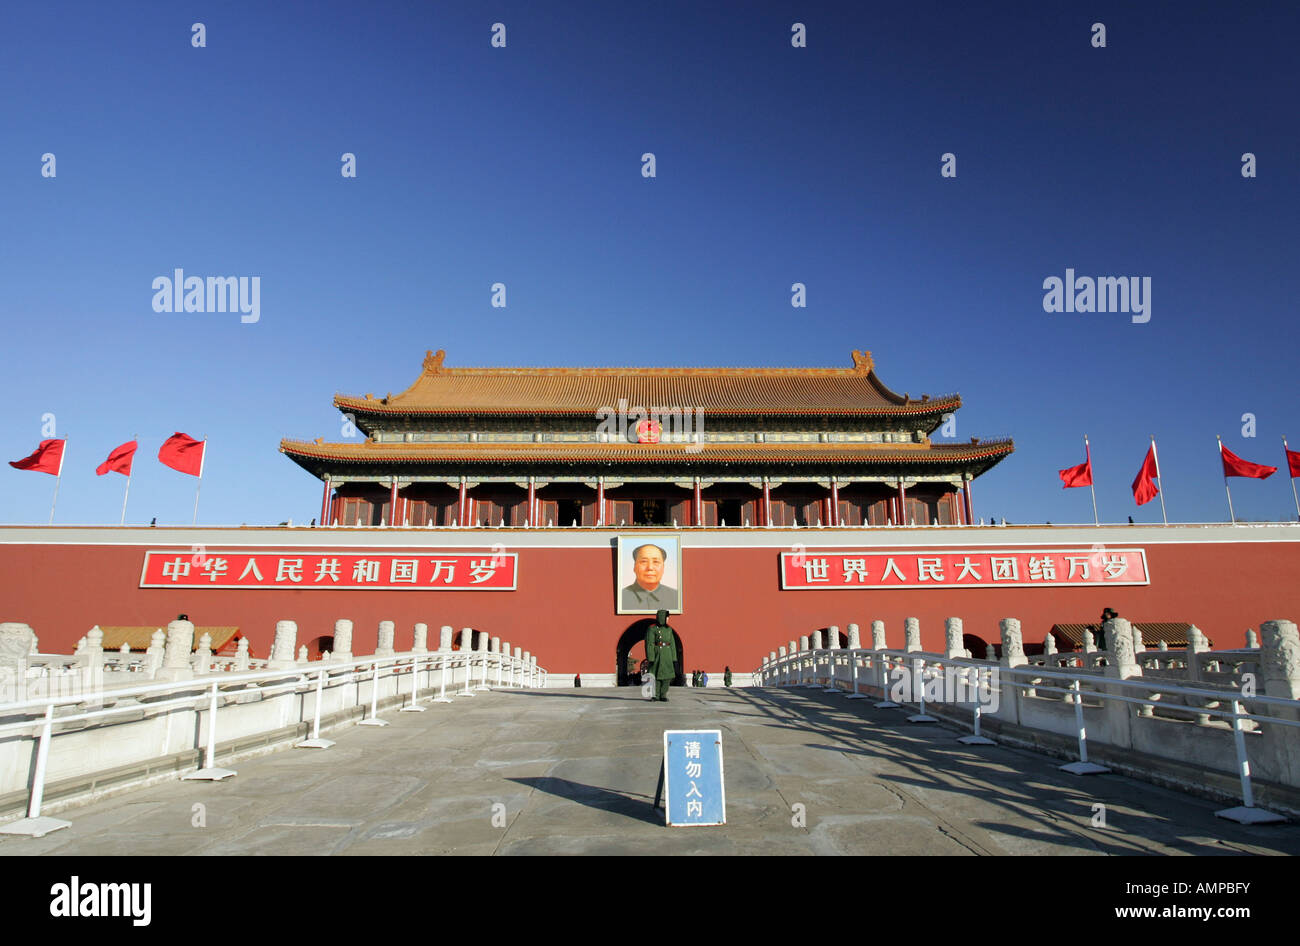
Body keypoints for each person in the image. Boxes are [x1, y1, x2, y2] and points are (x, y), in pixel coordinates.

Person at [621, 543, 679, 611]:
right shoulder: (621, 597)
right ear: (634, 567)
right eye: (644, 561)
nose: (650, 567)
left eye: (656, 562)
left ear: (663, 568)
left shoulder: (676, 597)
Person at [645, 609, 678, 702]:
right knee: (656, 675)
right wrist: (650, 657)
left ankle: (663, 694)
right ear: (662, 618)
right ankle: (655, 695)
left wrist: (674, 658)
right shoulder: (652, 629)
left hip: (667, 654)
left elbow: (672, 644)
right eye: (667, 617)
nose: (668, 619)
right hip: (657, 654)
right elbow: (650, 643)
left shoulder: (669, 629)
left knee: (666, 676)